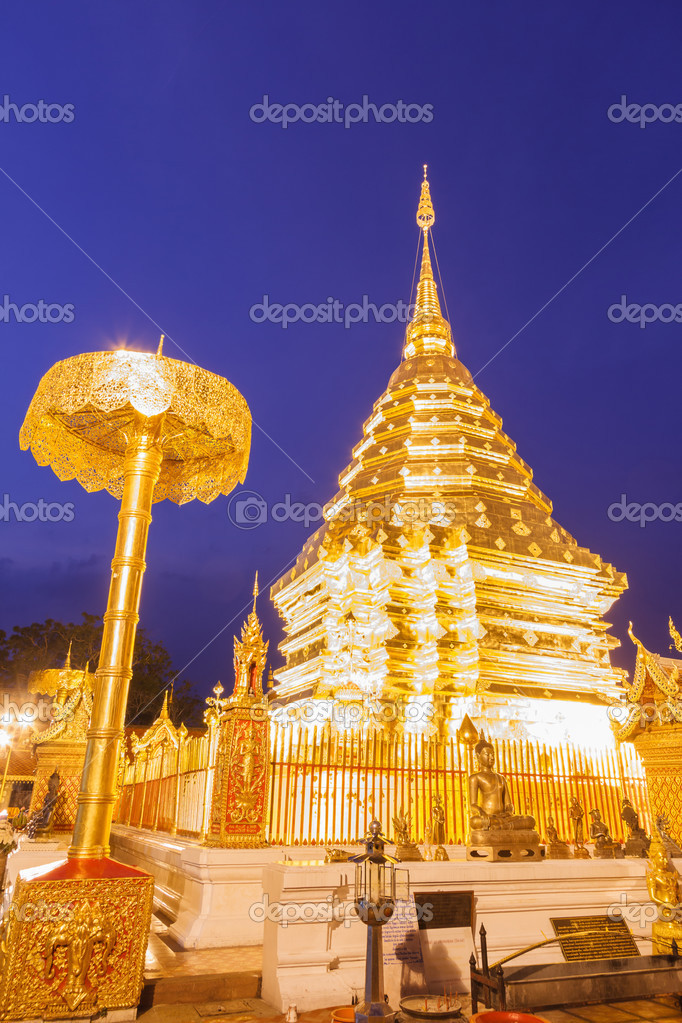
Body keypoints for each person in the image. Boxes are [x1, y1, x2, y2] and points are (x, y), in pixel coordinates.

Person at [468, 736, 535, 832]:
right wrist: (481, 812)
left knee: (530, 820)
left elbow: (508, 804)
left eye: (493, 754)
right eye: (487, 754)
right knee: (475, 821)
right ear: (478, 756)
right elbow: (473, 805)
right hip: (489, 818)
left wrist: (508, 812)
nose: (491, 757)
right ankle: (505, 826)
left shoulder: (501, 778)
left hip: (504, 818)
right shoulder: (475, 777)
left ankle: (501, 827)